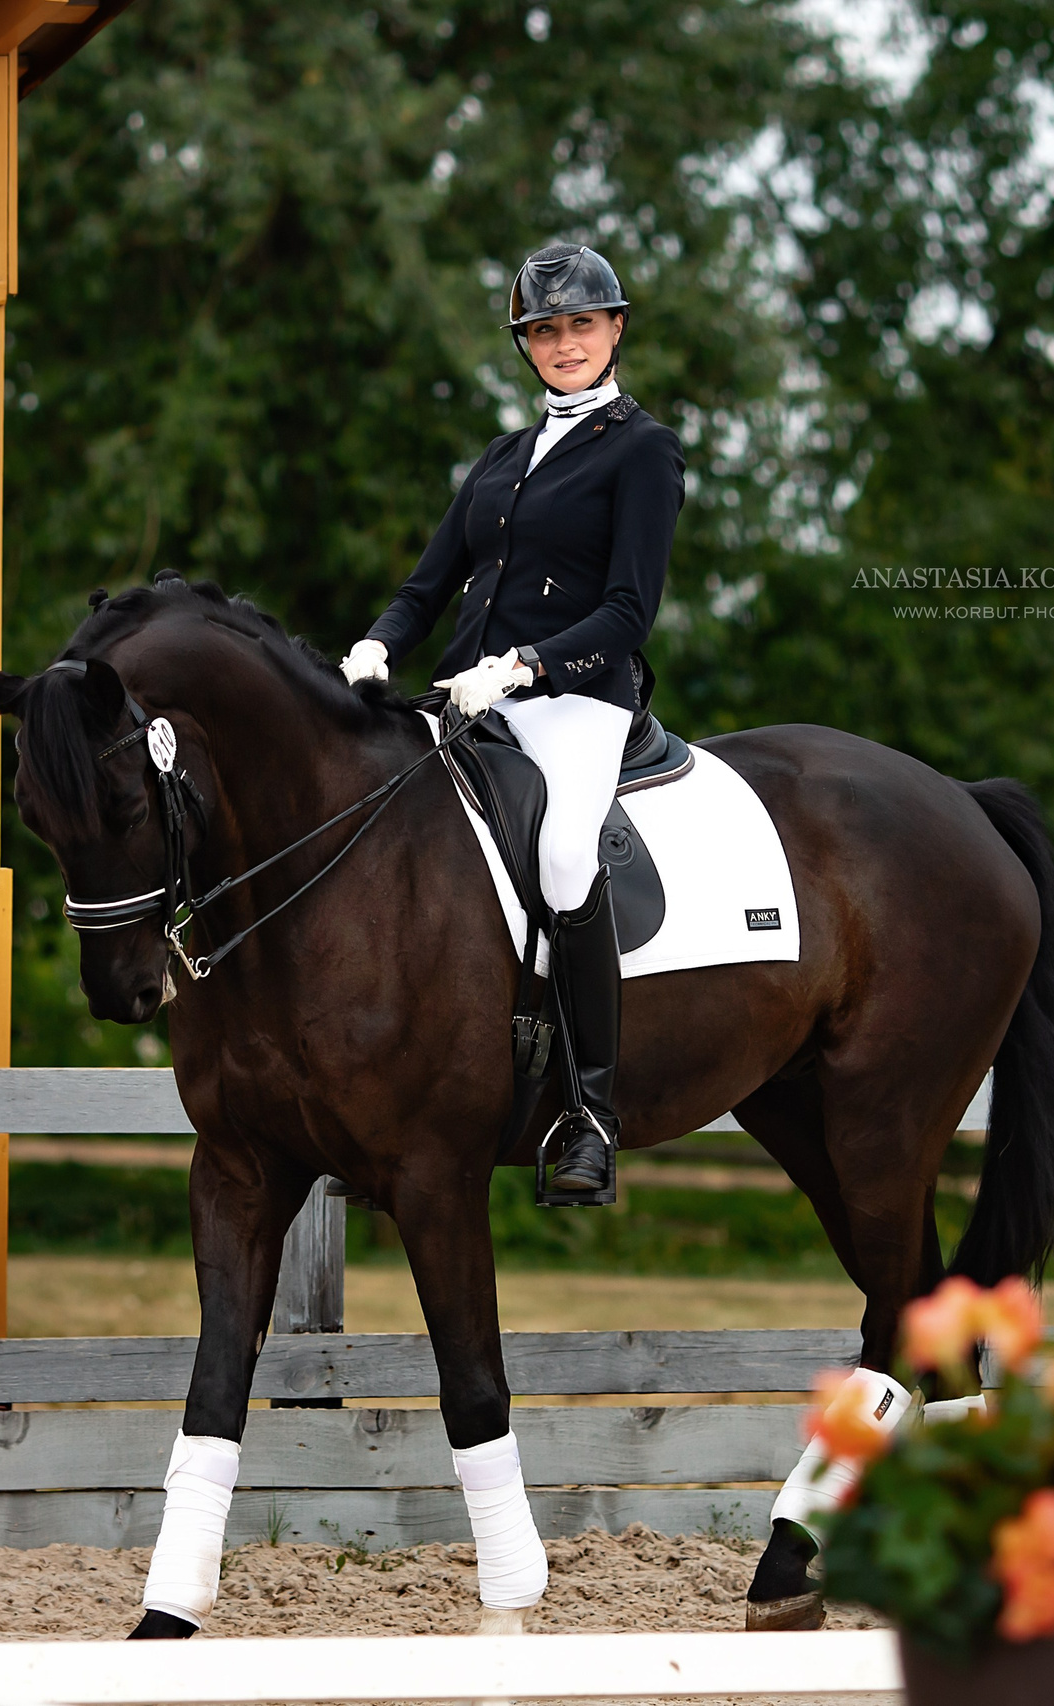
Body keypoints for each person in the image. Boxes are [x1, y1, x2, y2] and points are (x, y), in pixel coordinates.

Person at [340, 240, 685, 1203]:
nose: (565, 344)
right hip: (467, 699)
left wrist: (529, 663)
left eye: (582, 325)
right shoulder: (501, 458)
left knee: (567, 857)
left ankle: (591, 1116)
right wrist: (376, 644)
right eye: (545, 331)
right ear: (525, 345)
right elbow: (426, 587)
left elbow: (628, 612)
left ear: (615, 329)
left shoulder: (644, 450)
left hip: (575, 701)